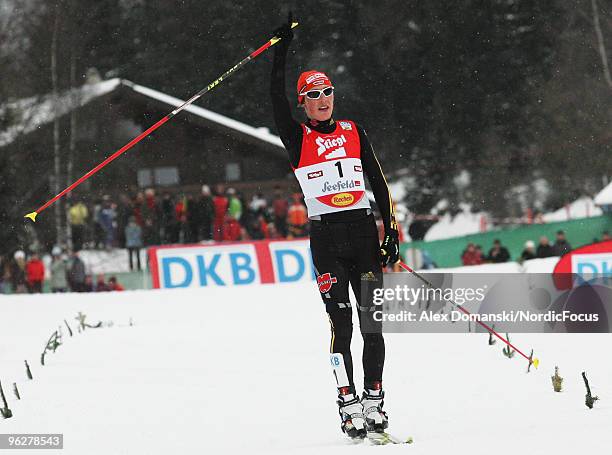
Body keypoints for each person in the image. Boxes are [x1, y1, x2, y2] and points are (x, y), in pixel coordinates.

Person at [270, 18, 399, 439]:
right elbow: (274, 99)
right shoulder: (297, 136)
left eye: (326, 92)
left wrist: (391, 232)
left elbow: (377, 182)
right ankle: (348, 403)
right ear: (303, 103)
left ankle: (375, 400)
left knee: (372, 325)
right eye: (312, 95)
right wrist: (280, 51)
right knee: (340, 325)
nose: (322, 100)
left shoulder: (353, 131)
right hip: (326, 239)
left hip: (363, 235)